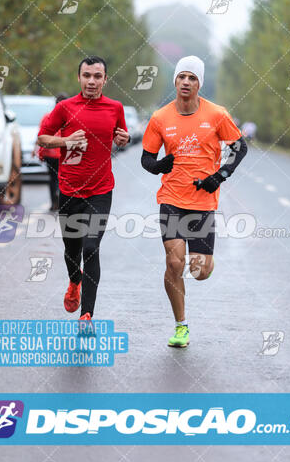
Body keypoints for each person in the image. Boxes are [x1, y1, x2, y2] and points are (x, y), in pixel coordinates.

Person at [141, 55, 247, 348]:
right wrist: (159, 165)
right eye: (181, 77)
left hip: (203, 203)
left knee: (200, 271)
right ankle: (181, 326)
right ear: (175, 81)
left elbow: (240, 147)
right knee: (174, 263)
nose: (186, 82)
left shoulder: (216, 114)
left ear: (199, 84)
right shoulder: (160, 118)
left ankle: (204, 265)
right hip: (171, 199)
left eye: (192, 78)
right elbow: (146, 159)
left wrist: (220, 175)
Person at [37, 56, 129, 321]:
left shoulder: (115, 107)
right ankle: (74, 281)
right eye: (87, 75)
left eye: (97, 76)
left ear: (105, 79)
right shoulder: (65, 108)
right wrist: (65, 141)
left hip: (101, 190)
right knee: (72, 250)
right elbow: (43, 137)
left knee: (91, 249)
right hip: (69, 189)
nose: (92, 81)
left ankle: (87, 314)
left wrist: (124, 138)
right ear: (79, 78)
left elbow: (120, 136)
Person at [34, 93, 69, 211]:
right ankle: (61, 200)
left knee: (52, 177)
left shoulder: (47, 117)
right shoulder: (70, 118)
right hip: (62, 154)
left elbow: (40, 134)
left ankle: (54, 202)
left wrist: (36, 150)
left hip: (49, 153)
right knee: (62, 178)